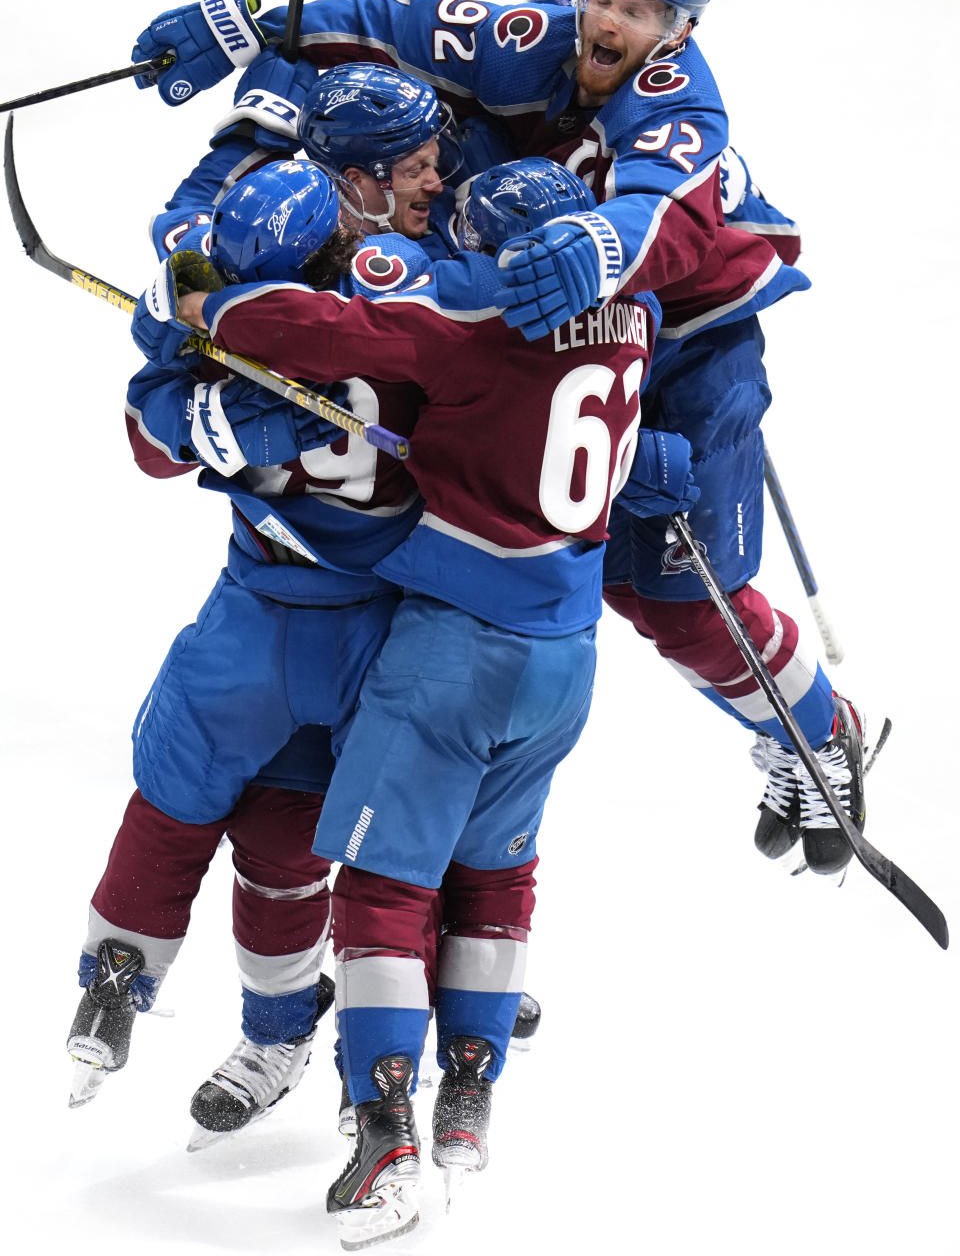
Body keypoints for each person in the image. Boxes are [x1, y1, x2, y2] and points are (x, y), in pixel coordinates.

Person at [130, 0, 867, 876]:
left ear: (678, 31)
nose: (605, 19)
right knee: (527, 554)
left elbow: (651, 227)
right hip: (551, 333)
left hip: (686, 340)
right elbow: (376, 20)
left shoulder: (682, 111)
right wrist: (259, 25)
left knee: (680, 596)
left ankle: (821, 733)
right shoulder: (525, 45)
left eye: (635, 11)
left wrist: (597, 250)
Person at [171, 149, 691, 1246]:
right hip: (568, 658)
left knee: (379, 892)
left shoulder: (469, 332)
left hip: (457, 655)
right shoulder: (635, 307)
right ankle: (468, 1098)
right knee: (498, 870)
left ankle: (385, 1141)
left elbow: (305, 331)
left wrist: (204, 296)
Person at [67, 160, 426, 1142]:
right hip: (262, 609)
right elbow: (153, 430)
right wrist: (167, 321)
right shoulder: (244, 293)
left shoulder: (412, 303)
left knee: (312, 844)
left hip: (381, 625)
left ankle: (336, 1032)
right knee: (177, 789)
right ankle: (120, 972)